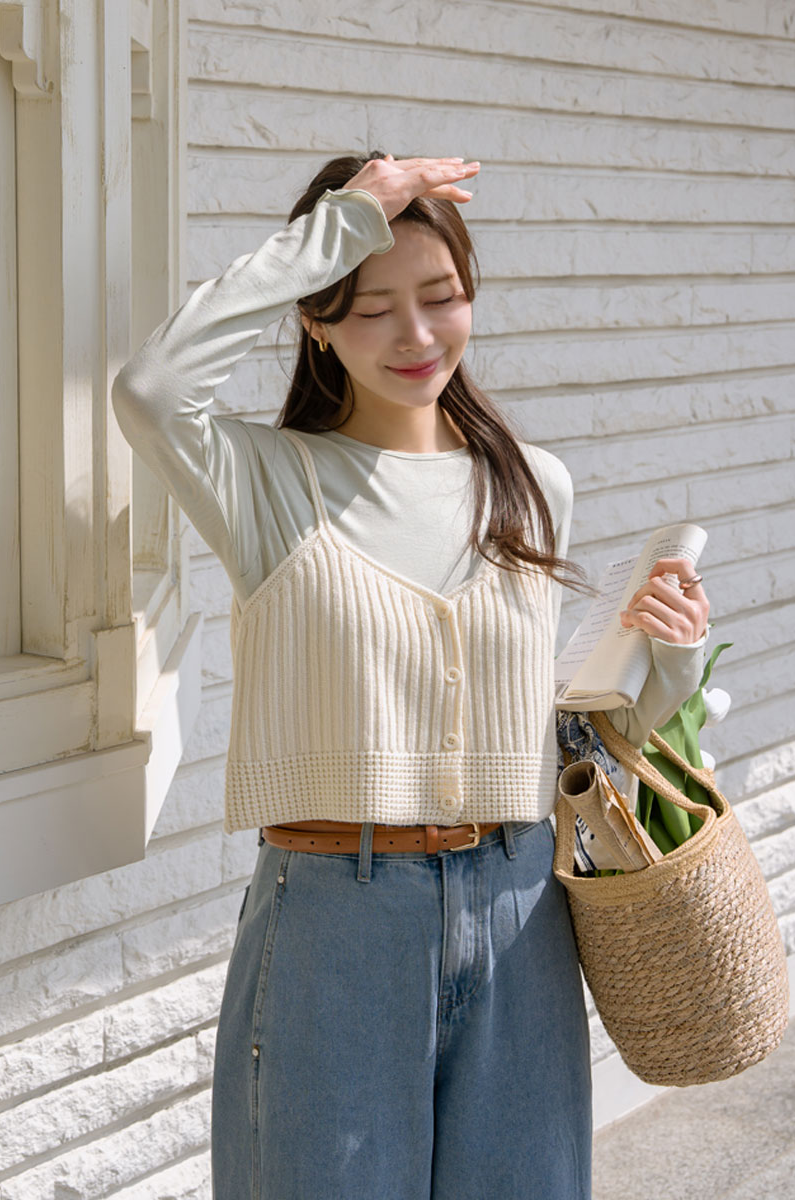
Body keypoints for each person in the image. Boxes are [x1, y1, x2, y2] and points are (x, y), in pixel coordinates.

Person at [111, 153, 709, 1199]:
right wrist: (335, 230)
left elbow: (550, 731)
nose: (417, 335)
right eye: (371, 306)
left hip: (523, 914)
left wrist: (668, 661)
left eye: (440, 297)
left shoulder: (531, 485)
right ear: (317, 320)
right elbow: (152, 388)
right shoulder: (266, 480)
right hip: (338, 922)